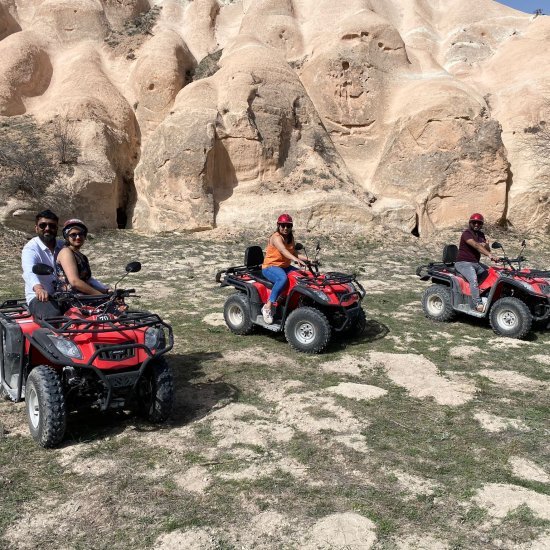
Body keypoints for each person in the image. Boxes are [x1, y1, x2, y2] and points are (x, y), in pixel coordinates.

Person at [260, 213, 308, 324]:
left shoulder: (290, 238)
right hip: (270, 266)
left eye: (288, 226)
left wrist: (308, 260)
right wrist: (296, 260)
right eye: (283, 225)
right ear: (278, 225)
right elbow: (283, 250)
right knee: (282, 279)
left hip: (285, 266)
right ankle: (267, 307)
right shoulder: (276, 237)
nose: (285, 228)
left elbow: (294, 253)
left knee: (301, 277)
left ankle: (294, 303)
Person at [21, 209, 65, 319]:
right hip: (40, 297)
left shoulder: (63, 246)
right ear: (36, 228)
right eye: (43, 225)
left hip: (65, 294)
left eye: (52, 226)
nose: (47, 229)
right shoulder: (31, 248)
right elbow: (29, 271)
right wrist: (39, 288)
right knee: (53, 317)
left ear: (56, 228)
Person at [455, 213, 498, 313]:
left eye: (479, 223)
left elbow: (485, 248)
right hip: (463, 263)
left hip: (475, 263)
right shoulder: (467, 233)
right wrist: (489, 255)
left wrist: (487, 245)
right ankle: (477, 304)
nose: (476, 224)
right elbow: (476, 246)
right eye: (474, 222)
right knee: (473, 280)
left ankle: (486, 296)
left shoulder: (480, 235)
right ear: (470, 223)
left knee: (491, 274)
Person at [56, 219, 109, 295]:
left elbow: (85, 281)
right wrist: (101, 295)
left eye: (81, 234)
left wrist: (105, 291)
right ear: (67, 237)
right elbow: (75, 282)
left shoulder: (82, 256)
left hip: (83, 296)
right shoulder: (66, 252)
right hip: (71, 299)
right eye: (73, 235)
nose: (78, 237)